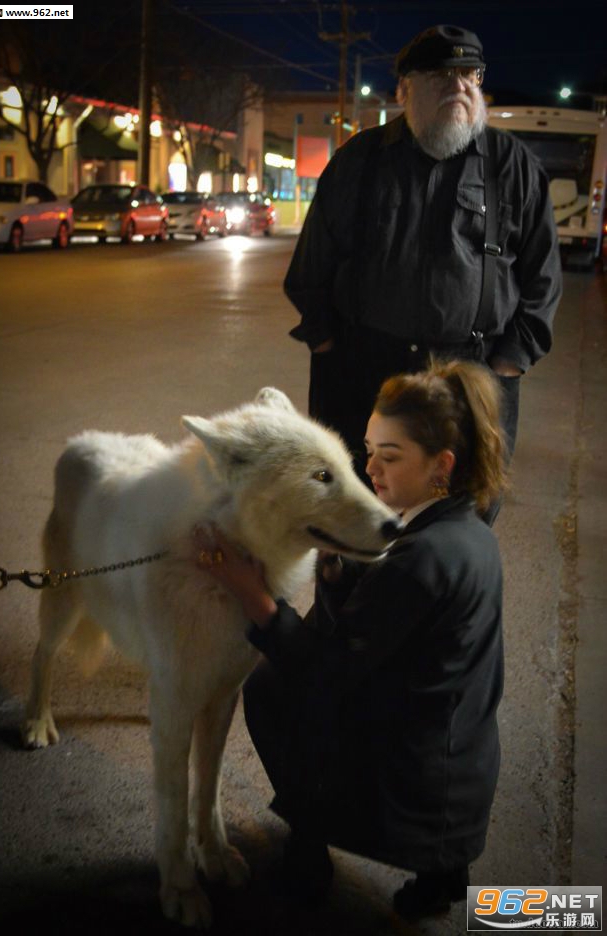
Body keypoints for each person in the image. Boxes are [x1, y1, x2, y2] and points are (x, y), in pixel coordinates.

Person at [193, 359, 507, 922]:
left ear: (442, 465)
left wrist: (250, 591)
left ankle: (308, 849)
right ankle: (442, 873)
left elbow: (323, 671)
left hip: (416, 779)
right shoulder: (463, 522)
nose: (371, 471)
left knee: (271, 689)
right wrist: (336, 568)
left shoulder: (427, 559)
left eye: (389, 458)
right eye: (368, 450)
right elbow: (375, 619)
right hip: (459, 754)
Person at [284, 23, 562, 494]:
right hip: (366, 372)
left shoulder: (511, 165)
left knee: (462, 509)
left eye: (469, 73)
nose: (457, 84)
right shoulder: (359, 161)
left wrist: (508, 364)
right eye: (439, 73)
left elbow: (542, 278)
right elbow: (312, 267)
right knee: (357, 505)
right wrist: (327, 347)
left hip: (473, 373)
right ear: (404, 89)